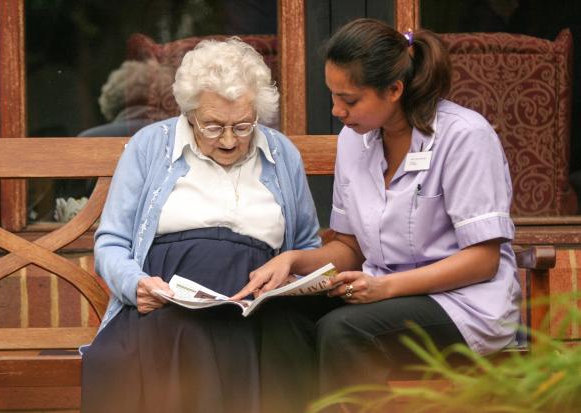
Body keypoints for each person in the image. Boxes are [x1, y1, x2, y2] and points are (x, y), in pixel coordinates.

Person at [233, 18, 520, 412]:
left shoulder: (465, 136)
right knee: (280, 316)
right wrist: (293, 260)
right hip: (382, 293)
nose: (337, 111)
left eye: (349, 100)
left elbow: (483, 261)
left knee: (345, 330)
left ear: (394, 90)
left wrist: (385, 288)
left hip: (465, 304)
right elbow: (350, 247)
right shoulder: (354, 141)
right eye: (333, 96)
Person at [81, 37, 321, 413]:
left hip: (255, 311)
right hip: (168, 308)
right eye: (212, 126)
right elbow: (111, 242)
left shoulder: (281, 153)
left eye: (242, 126)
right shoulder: (149, 146)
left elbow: (308, 245)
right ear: (189, 114)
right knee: (186, 334)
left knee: (283, 341)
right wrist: (135, 284)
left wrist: (290, 272)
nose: (228, 140)